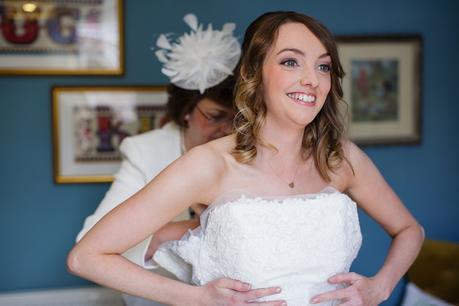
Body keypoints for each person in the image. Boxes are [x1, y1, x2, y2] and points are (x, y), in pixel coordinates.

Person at [68, 11, 424, 306]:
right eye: (290, 62)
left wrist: (380, 286)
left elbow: (410, 230)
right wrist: (196, 298)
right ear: (252, 74)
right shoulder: (209, 164)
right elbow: (86, 256)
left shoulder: (341, 157)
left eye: (323, 67)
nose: (311, 80)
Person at [74, 14, 241, 306]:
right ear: (187, 111)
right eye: (215, 117)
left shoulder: (249, 151)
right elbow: (88, 245)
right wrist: (175, 233)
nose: (227, 130)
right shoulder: (145, 151)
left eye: (238, 120)